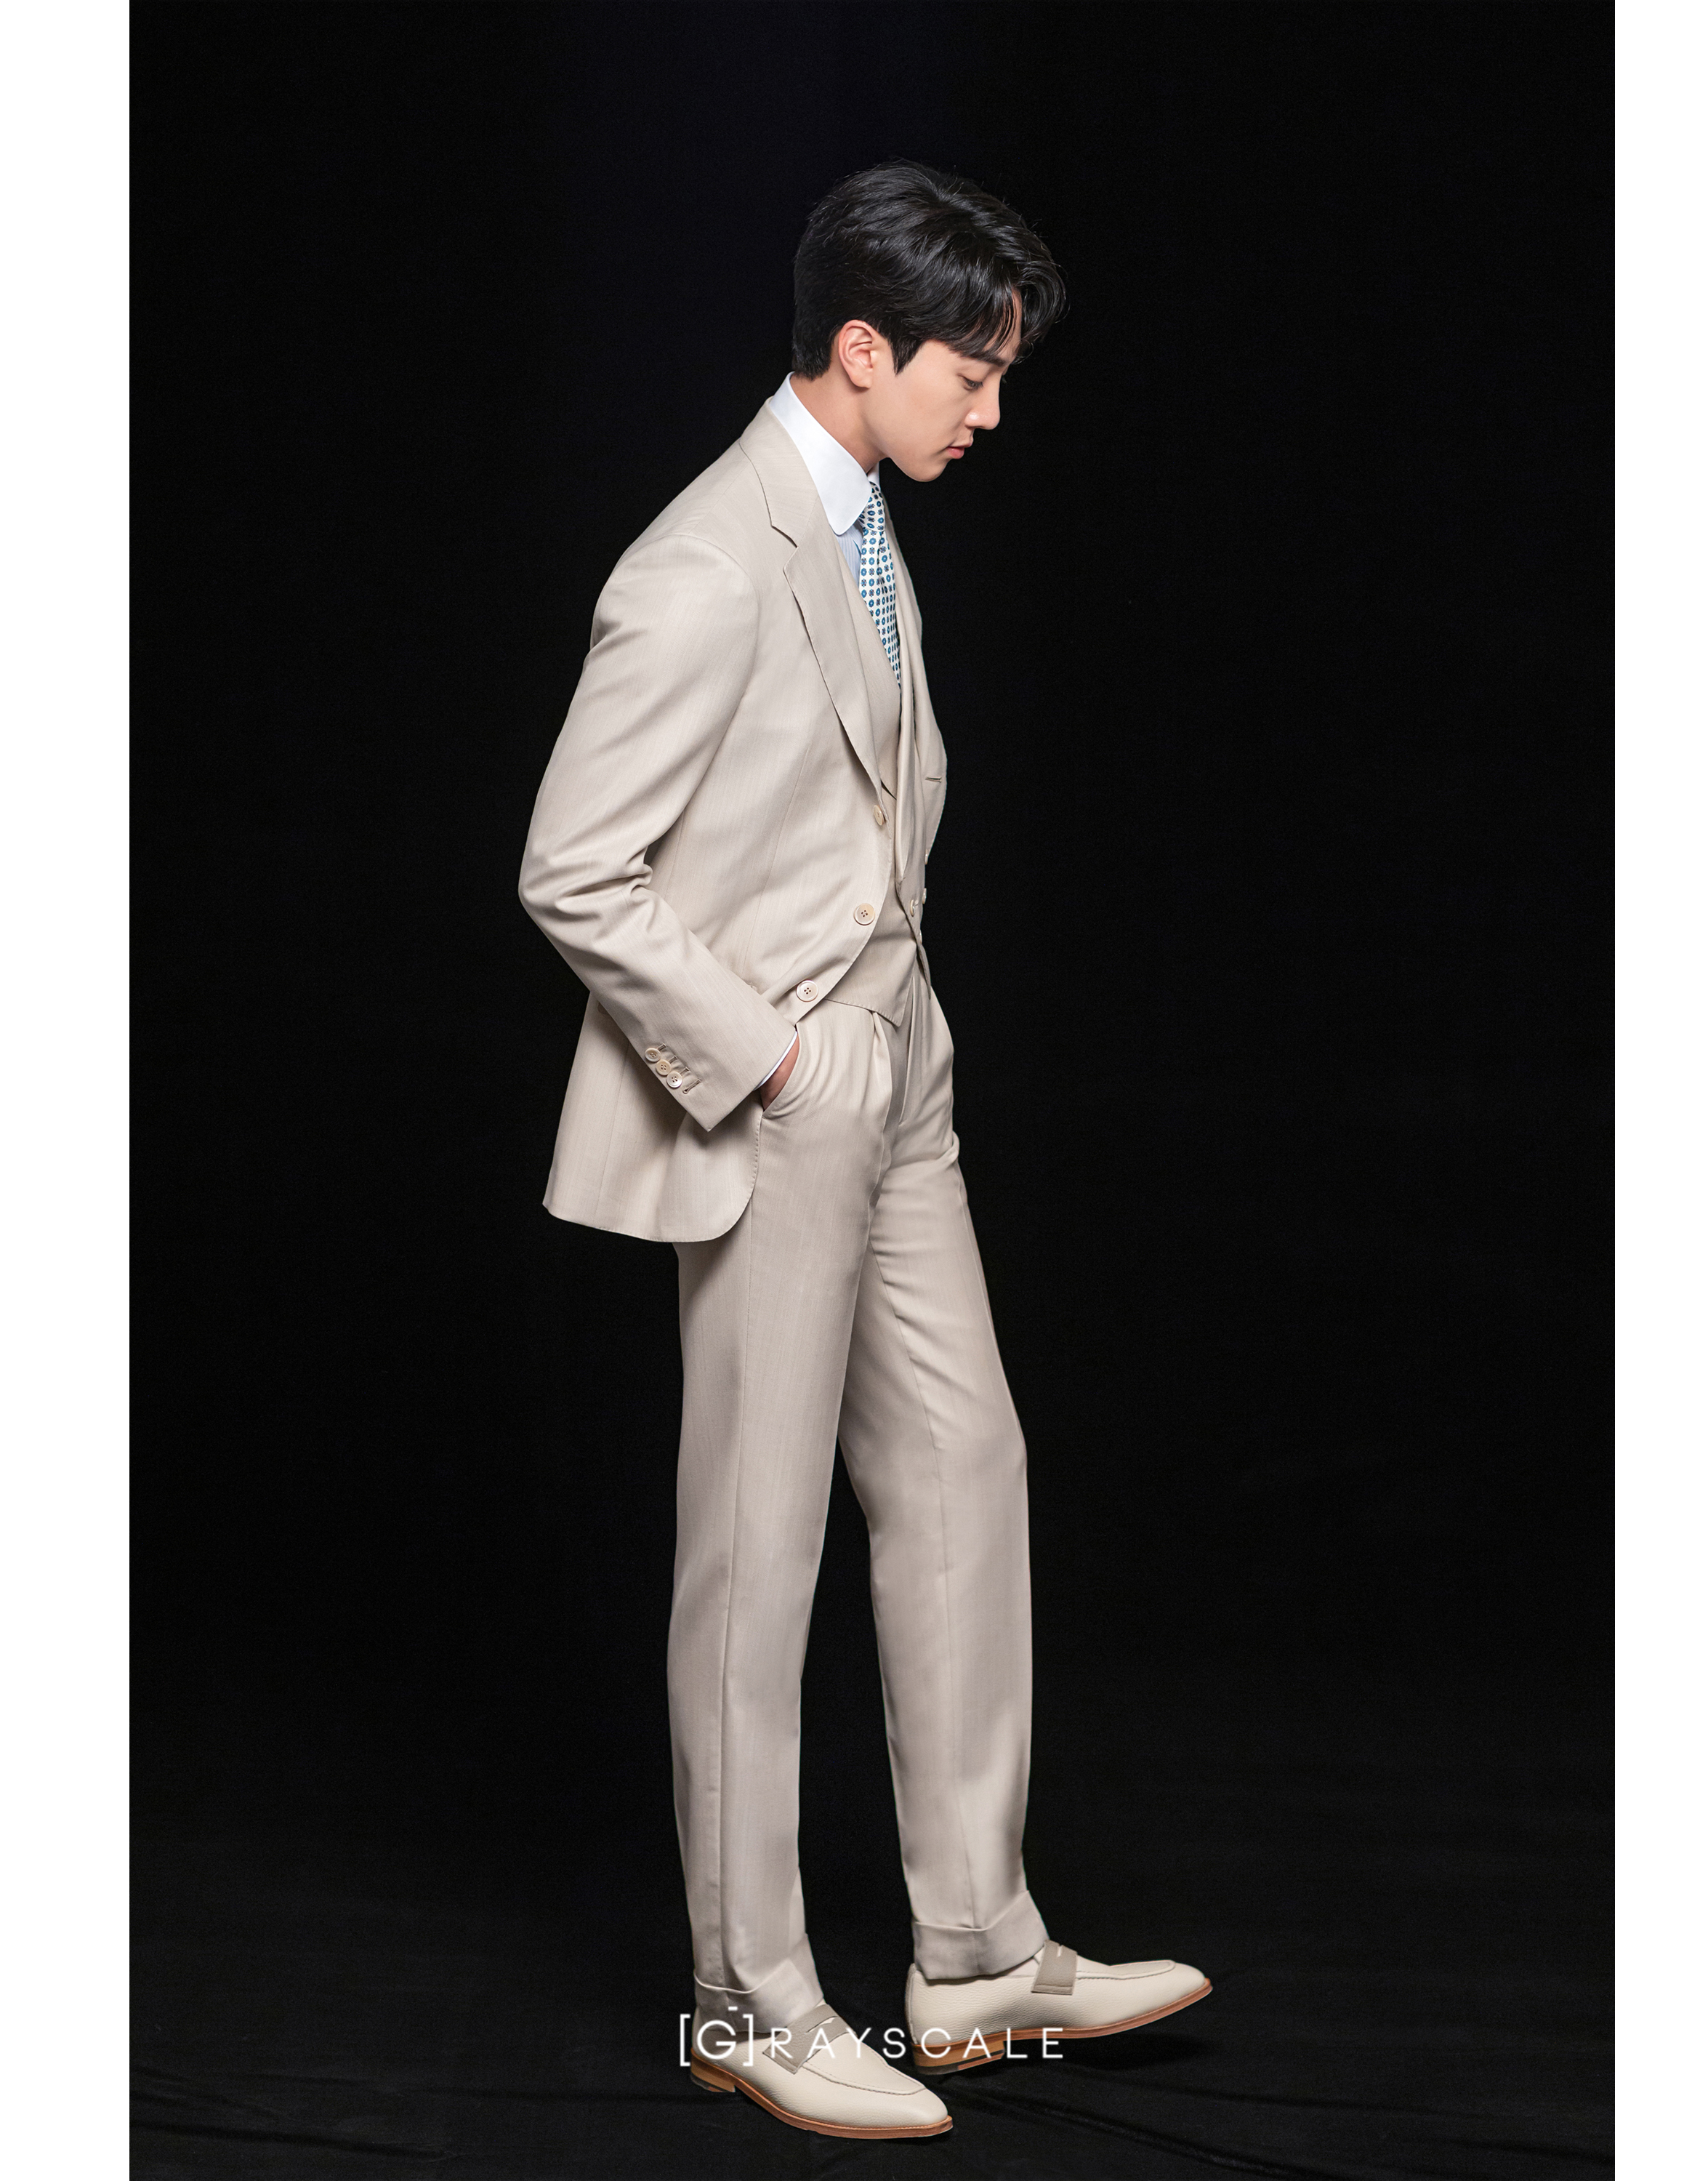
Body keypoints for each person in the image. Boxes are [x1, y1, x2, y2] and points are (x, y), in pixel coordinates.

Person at [519, 160, 1209, 2143]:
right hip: (779, 1092)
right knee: (760, 1549)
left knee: (967, 1461)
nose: (991, 411)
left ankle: (976, 1957)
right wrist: (773, 1060)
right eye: (970, 376)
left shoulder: (864, 526)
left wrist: (893, 1043)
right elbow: (572, 865)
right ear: (858, 349)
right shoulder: (700, 561)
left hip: (905, 1071)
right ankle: (748, 1999)